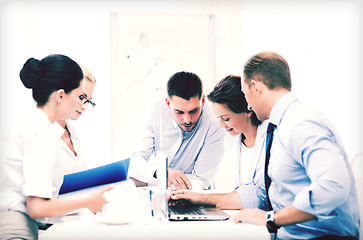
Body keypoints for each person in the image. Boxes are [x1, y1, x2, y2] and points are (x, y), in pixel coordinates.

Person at [232, 51, 360, 239]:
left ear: (256, 87)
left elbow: (333, 185)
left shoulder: (301, 123)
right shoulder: (282, 124)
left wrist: (271, 219)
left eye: (246, 95)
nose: (248, 106)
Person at [0, 54, 111, 240]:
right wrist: (88, 202)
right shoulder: (42, 130)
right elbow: (37, 207)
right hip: (16, 231)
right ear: (60, 95)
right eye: (78, 96)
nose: (80, 105)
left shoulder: (33, 122)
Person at [171, 75, 267, 210]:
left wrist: (202, 199)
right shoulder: (233, 139)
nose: (221, 125)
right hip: (244, 215)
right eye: (219, 118)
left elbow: (260, 196)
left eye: (226, 118)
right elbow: (237, 191)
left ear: (248, 109)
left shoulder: (269, 139)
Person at [128, 71, 226, 190]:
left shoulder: (215, 122)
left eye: (193, 111)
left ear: (203, 101)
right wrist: (160, 173)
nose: (187, 120)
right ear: (168, 103)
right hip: (160, 196)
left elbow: (201, 180)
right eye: (179, 112)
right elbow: (135, 162)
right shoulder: (156, 111)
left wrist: (150, 180)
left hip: (199, 197)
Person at [56, 64, 96, 175]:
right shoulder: (42, 132)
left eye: (88, 101)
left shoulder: (71, 130)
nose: (84, 107)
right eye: (81, 97)